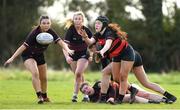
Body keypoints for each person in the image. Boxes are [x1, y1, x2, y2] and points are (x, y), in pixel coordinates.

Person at [4, 15, 74, 104]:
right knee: (35, 73)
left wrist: (68, 50)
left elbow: (61, 42)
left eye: (48, 23)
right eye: (44, 23)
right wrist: (12, 58)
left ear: (50, 24)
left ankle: (45, 96)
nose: (46, 25)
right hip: (28, 55)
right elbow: (23, 46)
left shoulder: (51, 32)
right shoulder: (34, 33)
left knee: (44, 78)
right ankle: (39, 96)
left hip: (39, 56)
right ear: (40, 24)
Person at [90, 43, 177, 103]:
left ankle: (132, 89)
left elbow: (109, 74)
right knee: (146, 83)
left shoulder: (104, 51)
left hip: (128, 57)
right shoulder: (105, 49)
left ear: (96, 47)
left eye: (92, 49)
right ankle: (169, 97)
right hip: (135, 55)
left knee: (117, 77)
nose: (92, 51)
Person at [79, 16, 135, 103]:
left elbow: (108, 44)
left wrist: (102, 51)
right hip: (117, 56)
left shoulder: (109, 32)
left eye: (98, 23)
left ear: (104, 25)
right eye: (95, 23)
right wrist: (85, 37)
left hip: (126, 53)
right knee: (114, 77)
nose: (96, 25)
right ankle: (103, 98)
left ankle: (121, 98)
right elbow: (90, 42)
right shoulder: (98, 34)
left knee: (123, 77)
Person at [63, 11, 93, 102]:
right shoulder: (70, 30)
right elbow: (64, 46)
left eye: (79, 19)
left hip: (83, 54)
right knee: (78, 75)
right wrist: (67, 57)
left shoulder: (86, 30)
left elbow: (92, 44)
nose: (77, 20)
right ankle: (86, 96)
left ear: (82, 20)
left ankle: (75, 95)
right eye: (75, 19)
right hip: (72, 55)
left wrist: (91, 55)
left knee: (78, 73)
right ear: (73, 20)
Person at [80, 81, 164, 104]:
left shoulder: (98, 85)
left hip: (125, 88)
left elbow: (112, 85)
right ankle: (152, 102)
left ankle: (164, 99)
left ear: (89, 85)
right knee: (133, 98)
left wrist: (111, 97)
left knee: (145, 94)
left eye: (86, 88)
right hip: (120, 97)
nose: (87, 90)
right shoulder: (92, 99)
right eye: (84, 91)